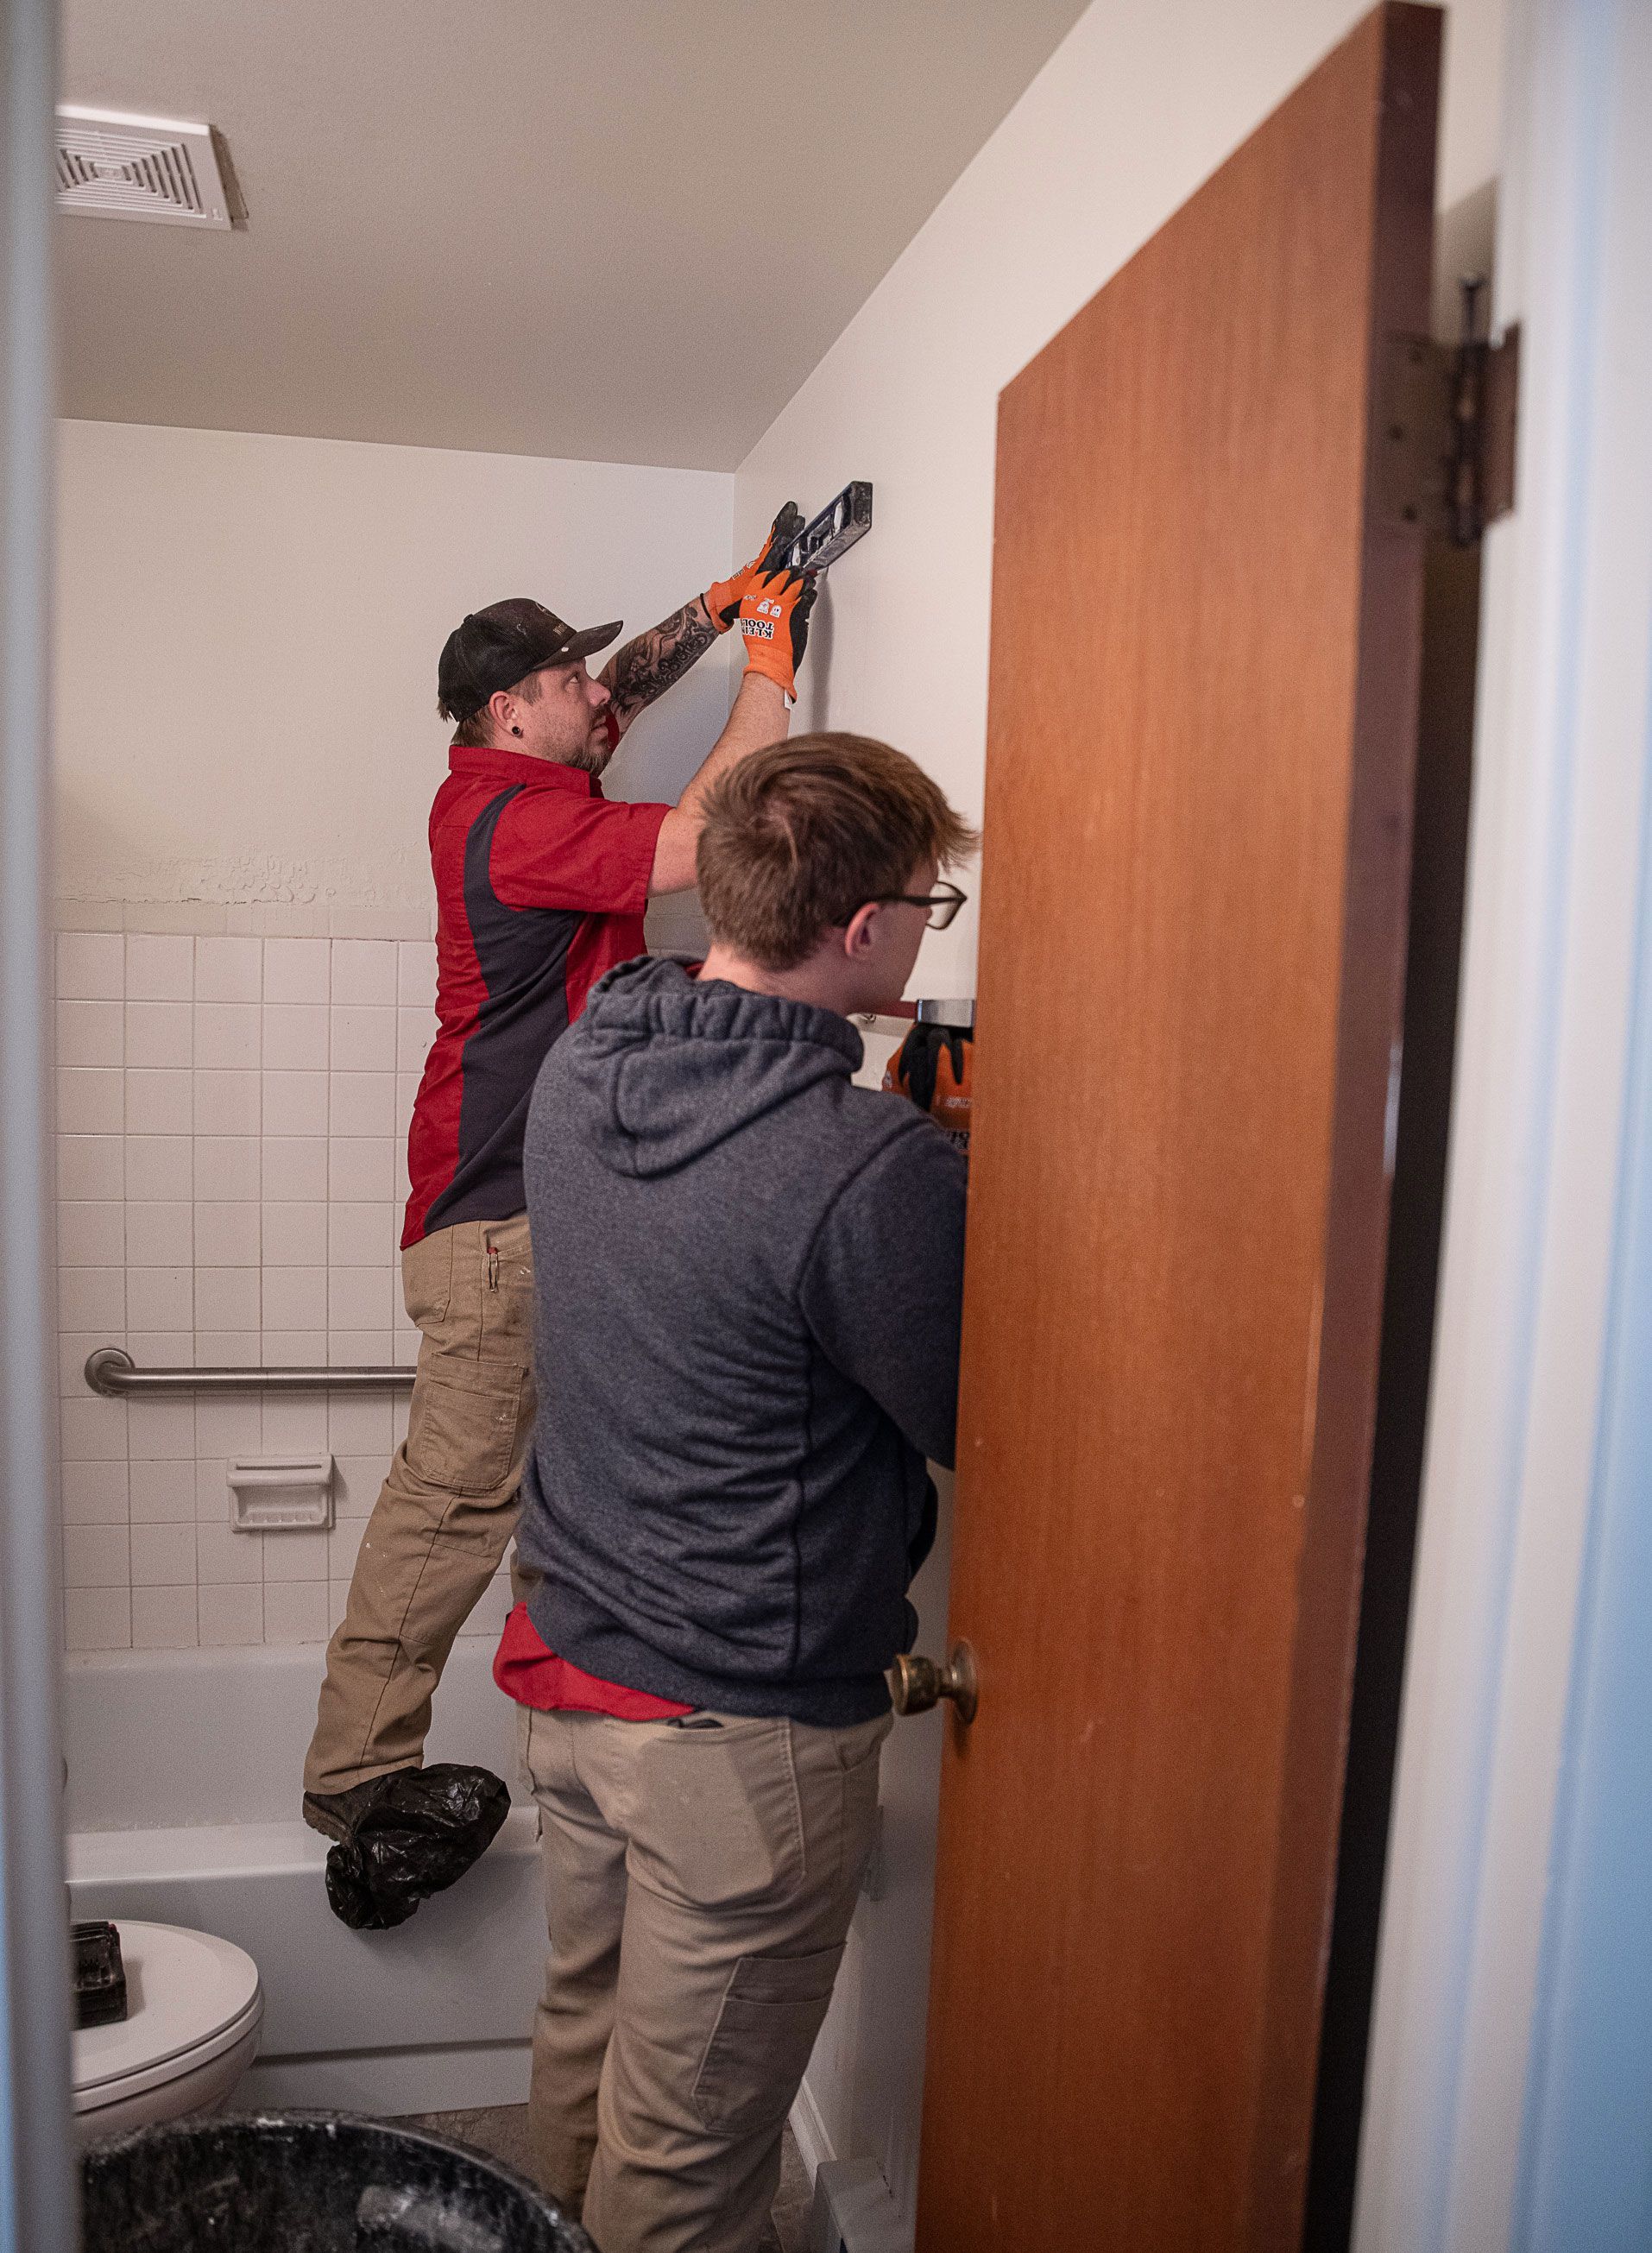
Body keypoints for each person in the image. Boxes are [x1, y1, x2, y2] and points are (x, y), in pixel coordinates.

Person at [302, 512, 818, 1930]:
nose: (605, 694)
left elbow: (625, 691)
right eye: (572, 680)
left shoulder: (502, 780)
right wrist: (768, 671)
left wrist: (714, 610)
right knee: (455, 1493)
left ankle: (554, 1740)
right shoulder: (519, 819)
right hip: (492, 1217)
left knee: (530, 1487)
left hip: (534, 1206)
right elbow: (700, 836)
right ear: (505, 708)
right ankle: (355, 1778)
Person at [500, 732, 977, 2251]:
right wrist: (940, 1173)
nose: (922, 927)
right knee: (693, 2160)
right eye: (926, 903)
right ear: (862, 930)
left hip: (574, 1671)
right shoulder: (862, 1165)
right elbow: (978, 1412)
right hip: (735, 1733)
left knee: (588, 2038)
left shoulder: (587, 1061)